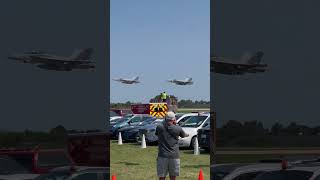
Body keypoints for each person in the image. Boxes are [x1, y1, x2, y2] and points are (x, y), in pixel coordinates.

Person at [155, 111, 189, 180]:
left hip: (162, 155)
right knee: (173, 177)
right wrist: (175, 124)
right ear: (173, 119)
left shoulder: (159, 127)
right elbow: (184, 135)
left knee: (162, 176)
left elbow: (157, 133)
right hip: (174, 155)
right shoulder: (178, 128)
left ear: (165, 118)